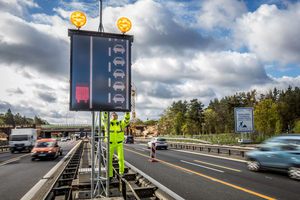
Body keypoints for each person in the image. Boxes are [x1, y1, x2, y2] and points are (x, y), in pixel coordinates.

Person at [102, 112, 130, 179]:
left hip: (119, 143)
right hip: (110, 144)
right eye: (112, 115)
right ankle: (110, 175)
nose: (114, 116)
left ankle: (121, 172)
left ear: (117, 117)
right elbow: (104, 118)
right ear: (110, 117)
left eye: (115, 115)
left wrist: (127, 113)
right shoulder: (107, 123)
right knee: (109, 160)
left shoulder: (120, 123)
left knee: (120, 158)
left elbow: (126, 120)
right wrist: (105, 112)